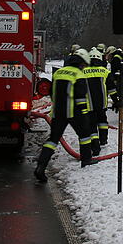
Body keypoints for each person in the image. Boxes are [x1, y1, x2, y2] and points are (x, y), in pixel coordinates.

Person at [34, 48, 95, 182]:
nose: (84, 67)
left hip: (58, 113)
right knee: (85, 135)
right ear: (81, 63)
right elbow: (80, 97)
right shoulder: (78, 74)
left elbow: (52, 92)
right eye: (84, 64)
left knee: (53, 139)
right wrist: (85, 114)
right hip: (74, 112)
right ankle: (86, 160)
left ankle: (40, 167)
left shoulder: (59, 73)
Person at [83, 47, 111, 153]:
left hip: (89, 105)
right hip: (102, 104)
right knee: (103, 122)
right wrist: (117, 101)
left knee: (92, 124)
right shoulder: (105, 72)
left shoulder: (83, 72)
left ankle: (95, 144)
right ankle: (103, 140)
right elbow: (112, 89)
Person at [105, 45, 123, 110]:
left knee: (117, 91)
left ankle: (118, 104)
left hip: (118, 78)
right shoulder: (118, 55)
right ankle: (118, 103)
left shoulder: (116, 58)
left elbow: (114, 68)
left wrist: (113, 78)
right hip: (121, 76)